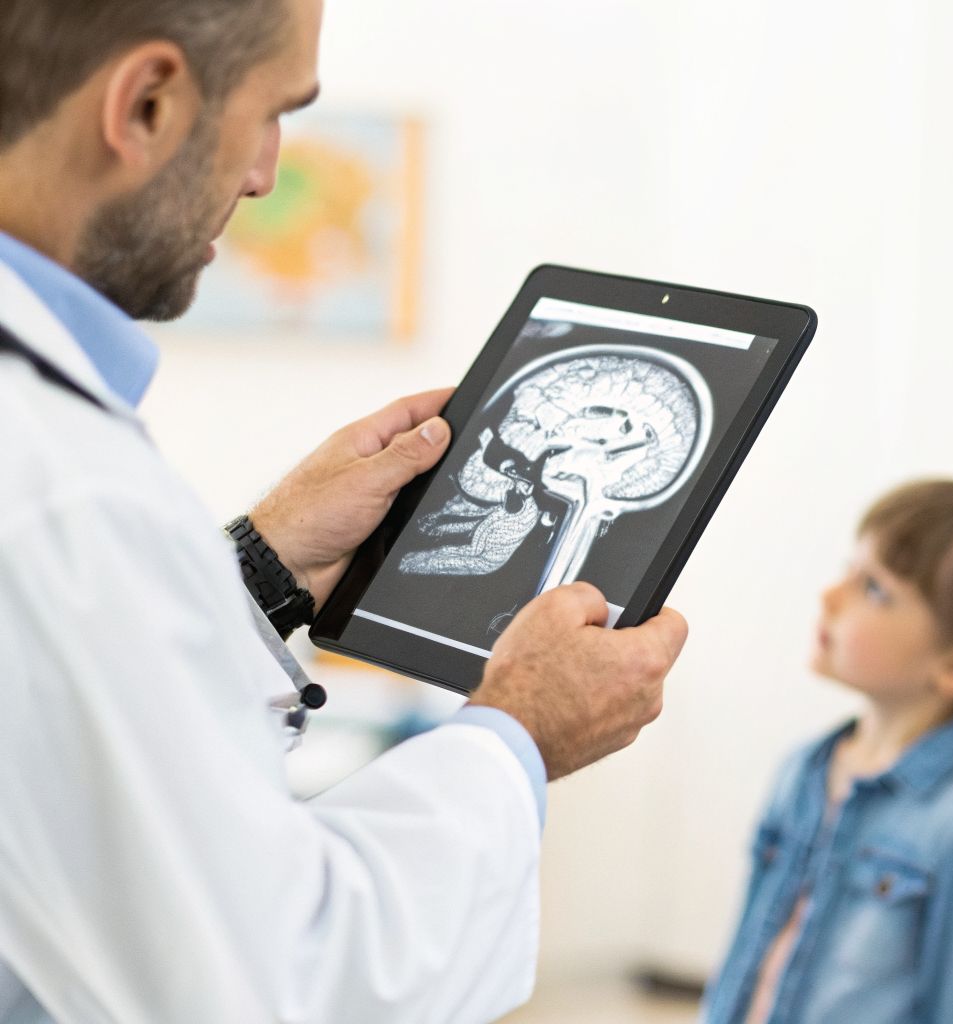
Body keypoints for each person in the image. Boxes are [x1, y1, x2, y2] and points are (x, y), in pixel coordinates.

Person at [0, 1, 687, 1020]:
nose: (265, 173)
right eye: (273, 113)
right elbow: (287, 978)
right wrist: (519, 733)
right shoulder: (67, 489)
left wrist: (263, 566)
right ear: (145, 103)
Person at [702, 481, 953, 1024]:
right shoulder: (807, 769)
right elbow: (747, 960)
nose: (831, 597)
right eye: (849, 570)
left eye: (875, 590)